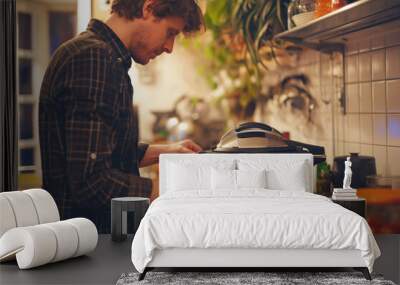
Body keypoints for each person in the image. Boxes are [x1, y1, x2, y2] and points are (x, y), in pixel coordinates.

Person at [39, 0, 204, 233]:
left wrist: (168, 151)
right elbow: (90, 182)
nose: (170, 47)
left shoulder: (103, 57)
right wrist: (170, 189)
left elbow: (103, 152)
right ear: (149, 8)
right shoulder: (94, 59)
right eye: (170, 33)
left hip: (92, 240)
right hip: (87, 244)